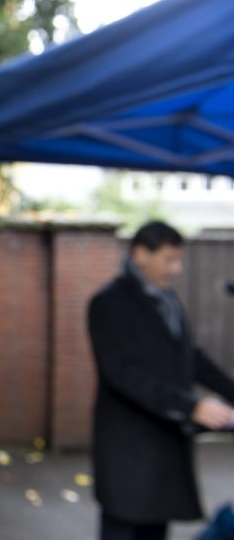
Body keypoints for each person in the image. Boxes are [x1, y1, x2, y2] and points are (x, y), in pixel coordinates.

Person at [88, 221, 234, 540]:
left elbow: (190, 357)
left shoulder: (167, 301)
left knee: (156, 531)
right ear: (141, 254)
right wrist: (190, 406)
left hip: (163, 450)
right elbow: (123, 375)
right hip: (127, 454)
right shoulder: (108, 303)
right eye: (170, 260)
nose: (177, 269)